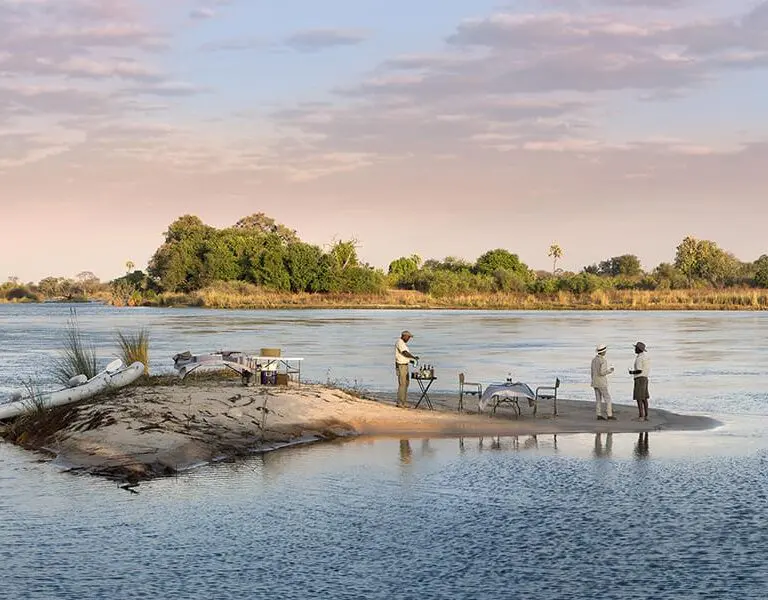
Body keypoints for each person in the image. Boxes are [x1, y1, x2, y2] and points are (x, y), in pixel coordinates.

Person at [591, 343, 615, 420]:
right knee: (608, 399)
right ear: (603, 352)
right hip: (601, 382)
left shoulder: (594, 360)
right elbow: (602, 372)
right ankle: (609, 414)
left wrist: (593, 379)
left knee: (598, 399)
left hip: (595, 381)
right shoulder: (603, 360)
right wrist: (610, 371)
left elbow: (592, 372)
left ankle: (599, 414)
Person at [394, 330, 418, 407]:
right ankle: (400, 403)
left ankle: (402, 402)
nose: (408, 339)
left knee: (406, 383)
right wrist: (413, 357)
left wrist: (411, 361)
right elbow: (405, 353)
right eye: (408, 337)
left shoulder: (402, 343)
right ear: (404, 336)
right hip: (401, 366)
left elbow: (403, 356)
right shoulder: (400, 342)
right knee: (402, 384)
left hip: (404, 365)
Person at [629, 341, 651, 420]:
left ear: (638, 349)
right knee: (644, 397)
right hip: (645, 378)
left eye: (635, 348)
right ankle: (646, 415)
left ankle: (641, 415)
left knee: (639, 398)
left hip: (639, 378)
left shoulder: (639, 358)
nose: (634, 349)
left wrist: (631, 372)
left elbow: (639, 370)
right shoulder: (645, 357)